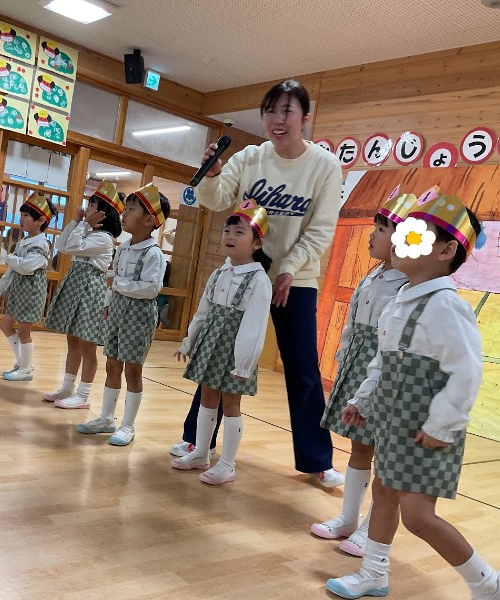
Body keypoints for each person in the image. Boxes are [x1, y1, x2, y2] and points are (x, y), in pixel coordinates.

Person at [327, 190, 500, 600]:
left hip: (427, 431)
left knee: (418, 516)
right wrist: (363, 400)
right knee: (384, 494)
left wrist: (441, 426)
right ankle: (374, 573)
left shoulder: (446, 305)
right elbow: (381, 361)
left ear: (447, 250)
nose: (400, 240)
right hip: (394, 423)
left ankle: (489, 584)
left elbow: (466, 371)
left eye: (413, 236)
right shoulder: (401, 299)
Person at [169, 79, 345, 487]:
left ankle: (317, 459)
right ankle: (197, 440)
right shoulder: (249, 157)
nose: (277, 120)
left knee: (302, 368)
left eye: (287, 111)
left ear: (305, 118)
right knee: (218, 354)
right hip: (243, 272)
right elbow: (216, 200)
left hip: (295, 280)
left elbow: (321, 230)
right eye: (270, 111)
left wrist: (289, 267)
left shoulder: (325, 166)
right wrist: (213, 174)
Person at [310, 186, 411, 555]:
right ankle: (349, 518)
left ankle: (372, 527)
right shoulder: (374, 275)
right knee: (359, 444)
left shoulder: (408, 286)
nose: (372, 235)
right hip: (360, 368)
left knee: (383, 451)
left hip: (386, 373)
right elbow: (353, 323)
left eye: (382, 229)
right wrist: (343, 353)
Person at [171, 200, 273, 485]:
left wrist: (244, 364)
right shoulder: (220, 273)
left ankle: (227, 464)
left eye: (239, 232)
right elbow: (203, 312)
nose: (230, 236)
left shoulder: (259, 280)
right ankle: (200, 453)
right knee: (207, 398)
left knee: (230, 404)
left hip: (235, 352)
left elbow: (254, 327)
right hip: (211, 344)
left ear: (256, 243)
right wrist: (189, 342)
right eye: (227, 230)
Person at [77, 183, 169, 445]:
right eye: (125, 209)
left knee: (133, 371)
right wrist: (108, 301)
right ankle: (107, 418)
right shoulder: (125, 247)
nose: (124, 214)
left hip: (138, 317)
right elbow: (112, 278)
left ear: (149, 220)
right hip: (117, 311)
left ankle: (128, 425)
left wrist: (118, 285)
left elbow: (151, 289)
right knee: (112, 365)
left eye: (131, 210)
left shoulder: (154, 253)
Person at [43, 182, 123, 407]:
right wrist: (76, 222)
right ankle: (67, 387)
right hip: (77, 288)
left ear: (103, 213)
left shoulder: (103, 238)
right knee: (73, 340)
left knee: (87, 345)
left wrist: (83, 224)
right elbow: (61, 245)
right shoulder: (88, 231)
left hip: (90, 292)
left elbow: (70, 247)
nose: (87, 208)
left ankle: (83, 394)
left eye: (93, 205)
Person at [0, 192, 58, 381]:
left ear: (40, 221)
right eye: (21, 215)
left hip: (31, 293)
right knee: (6, 325)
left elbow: (26, 267)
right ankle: (23, 362)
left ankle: (25, 369)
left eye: (26, 215)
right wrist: (1, 291)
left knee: (24, 331)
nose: (21, 219)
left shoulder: (42, 243)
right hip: (18, 291)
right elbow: (12, 270)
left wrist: (10, 258)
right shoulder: (23, 241)